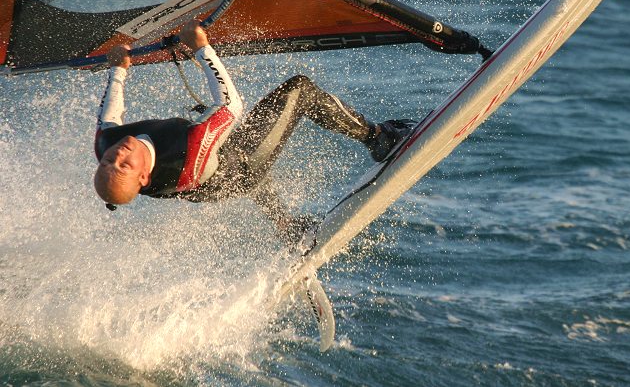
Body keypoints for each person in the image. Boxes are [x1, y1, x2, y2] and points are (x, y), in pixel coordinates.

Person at [94, 19, 413, 247]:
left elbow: (110, 114)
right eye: (123, 165)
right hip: (229, 171)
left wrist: (118, 68)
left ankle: (287, 228)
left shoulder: (106, 143)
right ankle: (379, 139)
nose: (117, 155)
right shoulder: (187, 154)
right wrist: (201, 48)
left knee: (236, 159)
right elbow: (230, 105)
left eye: (109, 161)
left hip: (211, 179)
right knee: (297, 93)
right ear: (143, 178)